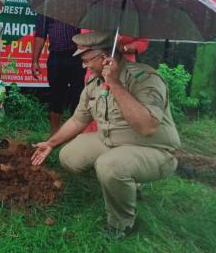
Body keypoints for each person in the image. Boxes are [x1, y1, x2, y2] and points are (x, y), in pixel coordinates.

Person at [31, 30, 180, 239]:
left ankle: (122, 224)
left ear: (104, 58)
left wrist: (115, 84)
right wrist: (51, 143)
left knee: (110, 165)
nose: (84, 66)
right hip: (114, 142)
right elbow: (77, 120)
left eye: (86, 61)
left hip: (155, 150)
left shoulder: (145, 78)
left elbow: (147, 127)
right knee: (69, 155)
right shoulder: (94, 82)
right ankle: (121, 184)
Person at [31, 0, 85, 135]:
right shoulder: (45, 2)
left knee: (78, 96)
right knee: (56, 96)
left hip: (78, 56)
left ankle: (74, 134)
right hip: (55, 57)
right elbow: (40, 34)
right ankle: (54, 135)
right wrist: (34, 61)